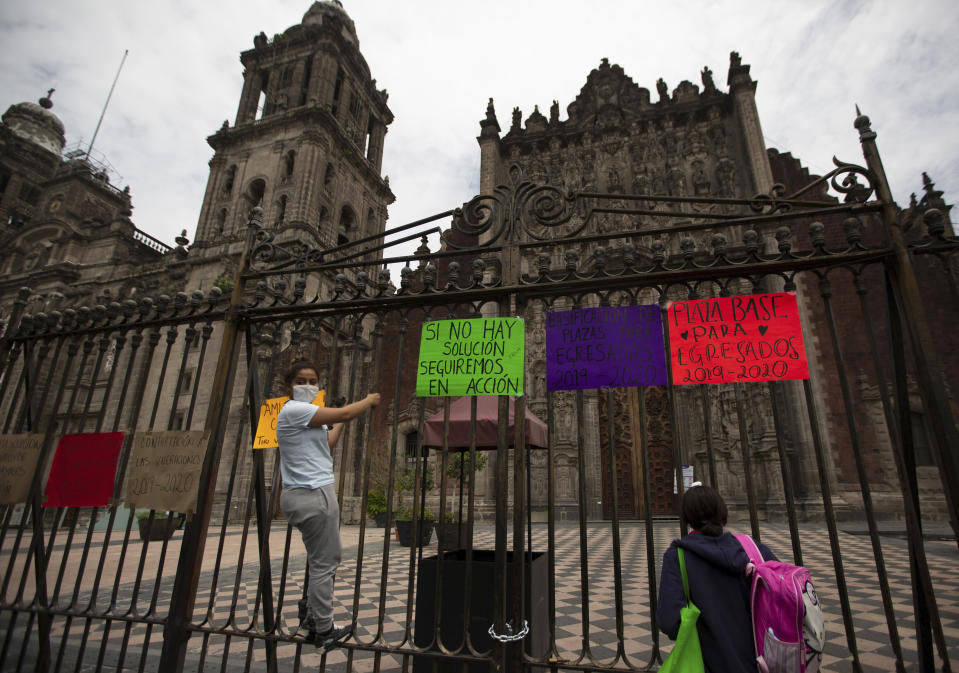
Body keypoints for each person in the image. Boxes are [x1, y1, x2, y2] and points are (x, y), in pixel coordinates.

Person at [277, 360, 380, 651]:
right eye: (301, 380)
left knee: (318, 560)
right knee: (325, 564)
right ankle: (324, 630)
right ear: (289, 386)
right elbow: (347, 412)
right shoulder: (296, 409)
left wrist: (342, 422)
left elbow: (329, 442)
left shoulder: (304, 416)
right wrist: (368, 401)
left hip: (303, 494)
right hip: (313, 494)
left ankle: (311, 618)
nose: (307, 386)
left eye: (312, 381)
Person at [657, 484, 777, 672]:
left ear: (687, 516)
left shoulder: (678, 556)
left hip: (708, 661)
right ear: (722, 511)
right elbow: (785, 596)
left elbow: (670, 622)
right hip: (762, 661)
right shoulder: (752, 549)